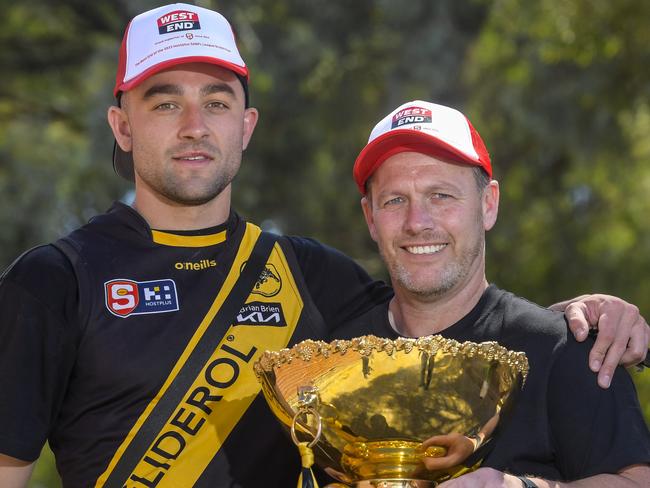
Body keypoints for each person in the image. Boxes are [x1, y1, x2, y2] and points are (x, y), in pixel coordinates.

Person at [0, 4, 646, 488]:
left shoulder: (315, 277)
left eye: (217, 102)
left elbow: (441, 308)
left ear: (246, 125)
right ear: (122, 124)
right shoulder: (54, 282)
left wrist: (588, 315)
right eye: (165, 103)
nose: (195, 126)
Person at [332, 99, 650, 487]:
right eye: (395, 200)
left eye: (441, 196)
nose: (417, 223)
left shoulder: (565, 349)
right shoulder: (335, 363)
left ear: (488, 205)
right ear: (370, 217)